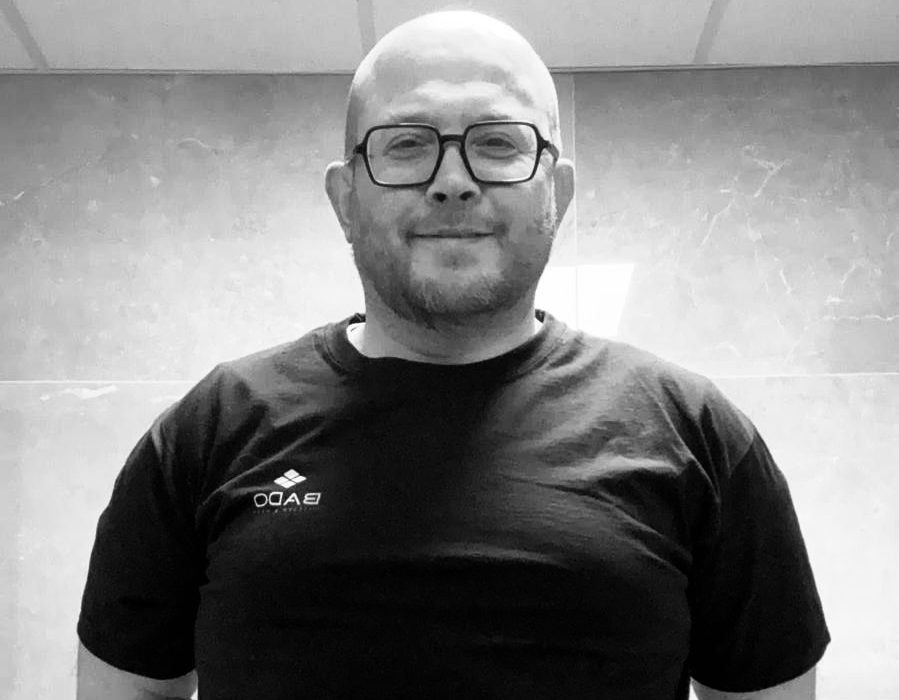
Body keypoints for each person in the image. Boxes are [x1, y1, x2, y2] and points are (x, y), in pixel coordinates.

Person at [76, 10, 830, 700]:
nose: (452, 182)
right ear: (345, 200)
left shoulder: (695, 434)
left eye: (497, 142)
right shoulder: (209, 431)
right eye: (406, 144)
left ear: (558, 194)